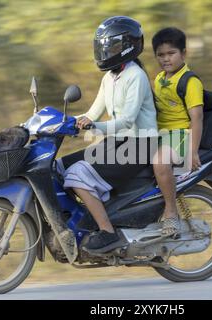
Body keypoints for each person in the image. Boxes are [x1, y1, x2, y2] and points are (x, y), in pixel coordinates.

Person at [57, 16, 158, 253]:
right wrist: (65, 123)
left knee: (77, 174)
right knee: (59, 167)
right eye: (103, 47)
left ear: (127, 46)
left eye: (111, 46)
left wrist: (94, 127)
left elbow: (127, 121)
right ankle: (84, 219)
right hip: (118, 141)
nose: (105, 52)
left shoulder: (136, 76)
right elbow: (93, 112)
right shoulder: (109, 77)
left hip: (140, 146)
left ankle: (107, 232)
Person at [151, 27, 204, 236]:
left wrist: (193, 151)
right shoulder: (159, 79)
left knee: (160, 161)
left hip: (180, 134)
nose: (166, 59)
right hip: (159, 134)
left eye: (171, 53)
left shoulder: (190, 82)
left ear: (184, 53)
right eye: (160, 55)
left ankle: (171, 212)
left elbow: (197, 118)